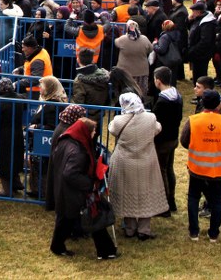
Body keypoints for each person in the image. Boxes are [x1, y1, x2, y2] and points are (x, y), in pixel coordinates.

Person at [49, 117, 118, 260]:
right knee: (94, 218)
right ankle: (106, 251)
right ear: (85, 131)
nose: (94, 135)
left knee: (65, 219)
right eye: (92, 132)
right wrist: (90, 184)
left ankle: (57, 246)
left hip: (64, 189)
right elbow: (71, 173)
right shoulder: (78, 151)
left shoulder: (66, 140)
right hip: (75, 191)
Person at [108, 92, 168, 240]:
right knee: (146, 192)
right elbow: (158, 129)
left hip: (124, 161)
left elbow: (111, 130)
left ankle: (129, 228)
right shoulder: (150, 118)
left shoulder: (118, 121)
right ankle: (144, 229)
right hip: (146, 160)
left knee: (126, 191)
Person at [180, 89, 221, 242]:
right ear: (219, 105)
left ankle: (194, 232)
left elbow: (184, 141)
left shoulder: (193, 121)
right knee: (216, 201)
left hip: (197, 168)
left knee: (193, 198)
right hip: (218, 170)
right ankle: (213, 234)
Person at [152, 66, 183, 216]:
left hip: (163, 140)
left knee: (161, 171)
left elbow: (155, 121)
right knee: (169, 169)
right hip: (173, 137)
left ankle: (164, 205)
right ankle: (171, 200)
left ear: (158, 81)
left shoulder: (162, 101)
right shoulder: (177, 95)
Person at [0, 78, 24, 196]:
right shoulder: (20, 99)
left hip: (3, 137)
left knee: (2, 163)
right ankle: (16, 184)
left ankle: (7, 190)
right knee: (15, 159)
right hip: (17, 134)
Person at [114, 20, 153, 95]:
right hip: (141, 71)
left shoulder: (122, 39)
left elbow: (116, 42)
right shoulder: (144, 39)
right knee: (140, 90)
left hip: (125, 71)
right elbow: (150, 49)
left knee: (125, 91)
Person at [185, 2, 217, 82]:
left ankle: (201, 90)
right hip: (197, 53)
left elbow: (205, 41)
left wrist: (193, 50)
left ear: (199, 12)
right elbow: (190, 28)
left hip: (201, 54)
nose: (192, 13)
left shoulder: (207, 23)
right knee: (196, 74)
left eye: (193, 11)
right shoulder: (199, 19)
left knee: (200, 74)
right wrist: (189, 20)